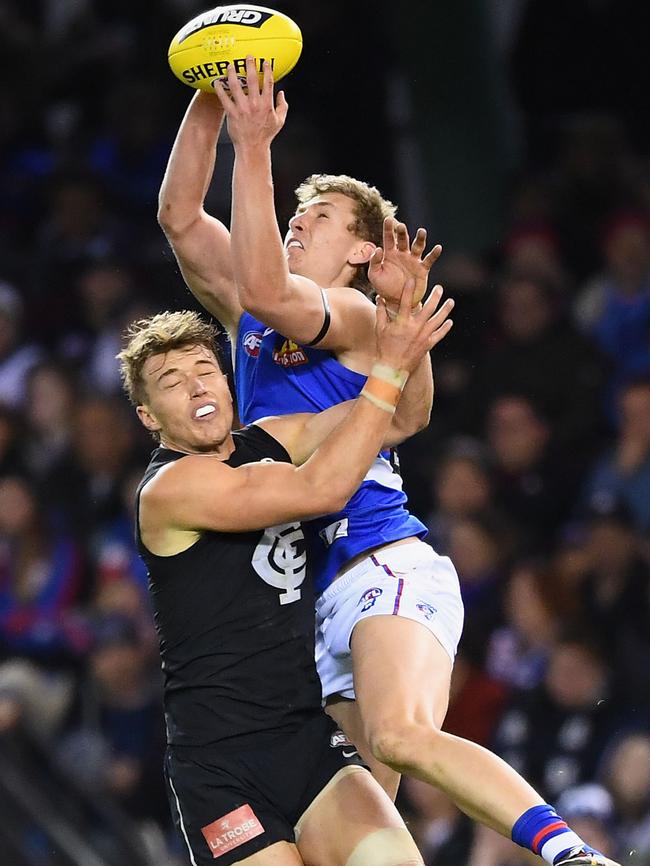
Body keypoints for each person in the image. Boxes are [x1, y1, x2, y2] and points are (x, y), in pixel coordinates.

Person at [158, 57, 620, 866]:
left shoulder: (352, 312)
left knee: (403, 735)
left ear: (366, 251)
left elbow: (270, 288)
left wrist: (255, 142)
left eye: (322, 215)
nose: (299, 222)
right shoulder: (256, 321)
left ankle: (571, 855)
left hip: (381, 562)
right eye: (296, 213)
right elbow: (180, 215)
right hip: (312, 605)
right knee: (363, 842)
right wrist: (208, 95)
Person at [117, 295, 450, 866]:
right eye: (172, 382)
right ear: (149, 417)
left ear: (227, 383)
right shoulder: (169, 490)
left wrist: (403, 332)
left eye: (205, 371)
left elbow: (401, 418)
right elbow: (319, 491)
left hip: (305, 735)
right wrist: (387, 366)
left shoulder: (270, 439)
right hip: (220, 766)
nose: (197, 388)